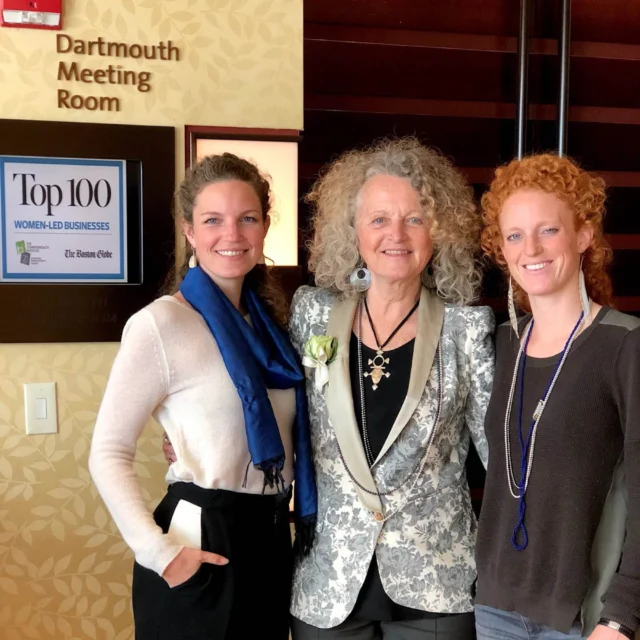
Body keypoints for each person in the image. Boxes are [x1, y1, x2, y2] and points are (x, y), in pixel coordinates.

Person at [89, 153, 316, 640]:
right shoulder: (161, 324)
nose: (231, 235)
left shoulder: (268, 327)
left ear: (264, 227)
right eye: (213, 220)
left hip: (271, 535)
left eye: (247, 219)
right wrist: (160, 554)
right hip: (201, 540)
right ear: (189, 231)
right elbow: (108, 452)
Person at [288, 137, 495, 639]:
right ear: (353, 230)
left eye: (414, 219)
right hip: (329, 583)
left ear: (437, 231)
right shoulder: (311, 314)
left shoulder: (467, 327)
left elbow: (500, 453)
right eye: (379, 219)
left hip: (437, 586)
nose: (395, 234)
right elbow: (274, 409)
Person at [475, 154, 640, 640]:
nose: (532, 248)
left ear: (583, 236)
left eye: (548, 230)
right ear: (501, 250)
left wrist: (622, 616)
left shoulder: (623, 344)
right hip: (495, 607)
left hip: (583, 617)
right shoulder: (502, 343)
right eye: (515, 235)